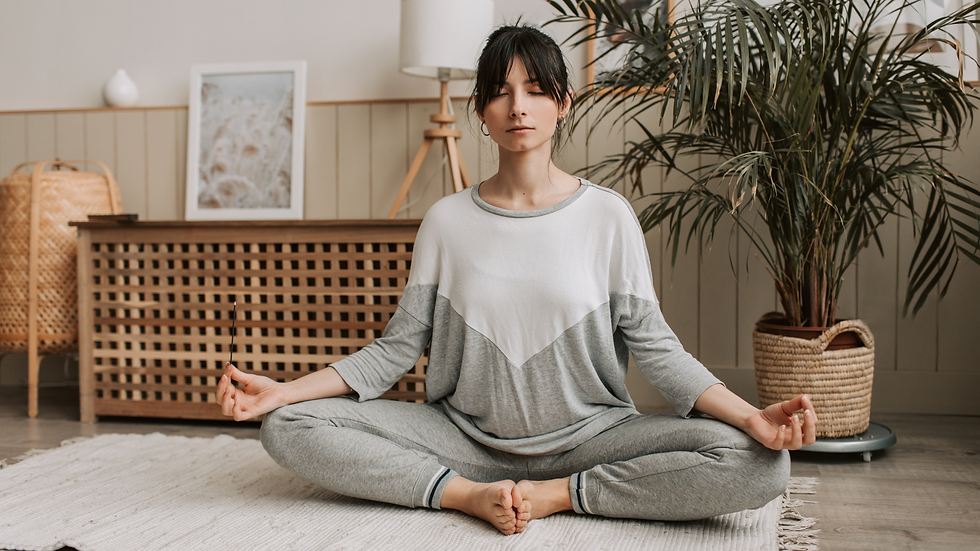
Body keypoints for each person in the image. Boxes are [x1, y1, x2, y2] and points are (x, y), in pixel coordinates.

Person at [215, 24, 817, 536]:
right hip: (463, 440)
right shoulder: (447, 220)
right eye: (500, 93)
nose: (518, 106)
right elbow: (395, 349)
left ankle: (561, 492)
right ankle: (463, 494)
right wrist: (285, 391)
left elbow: (657, 349)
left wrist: (750, 418)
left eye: (534, 90)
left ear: (564, 102)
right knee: (289, 427)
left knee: (763, 466)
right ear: (481, 111)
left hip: (593, 437)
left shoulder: (608, 216)